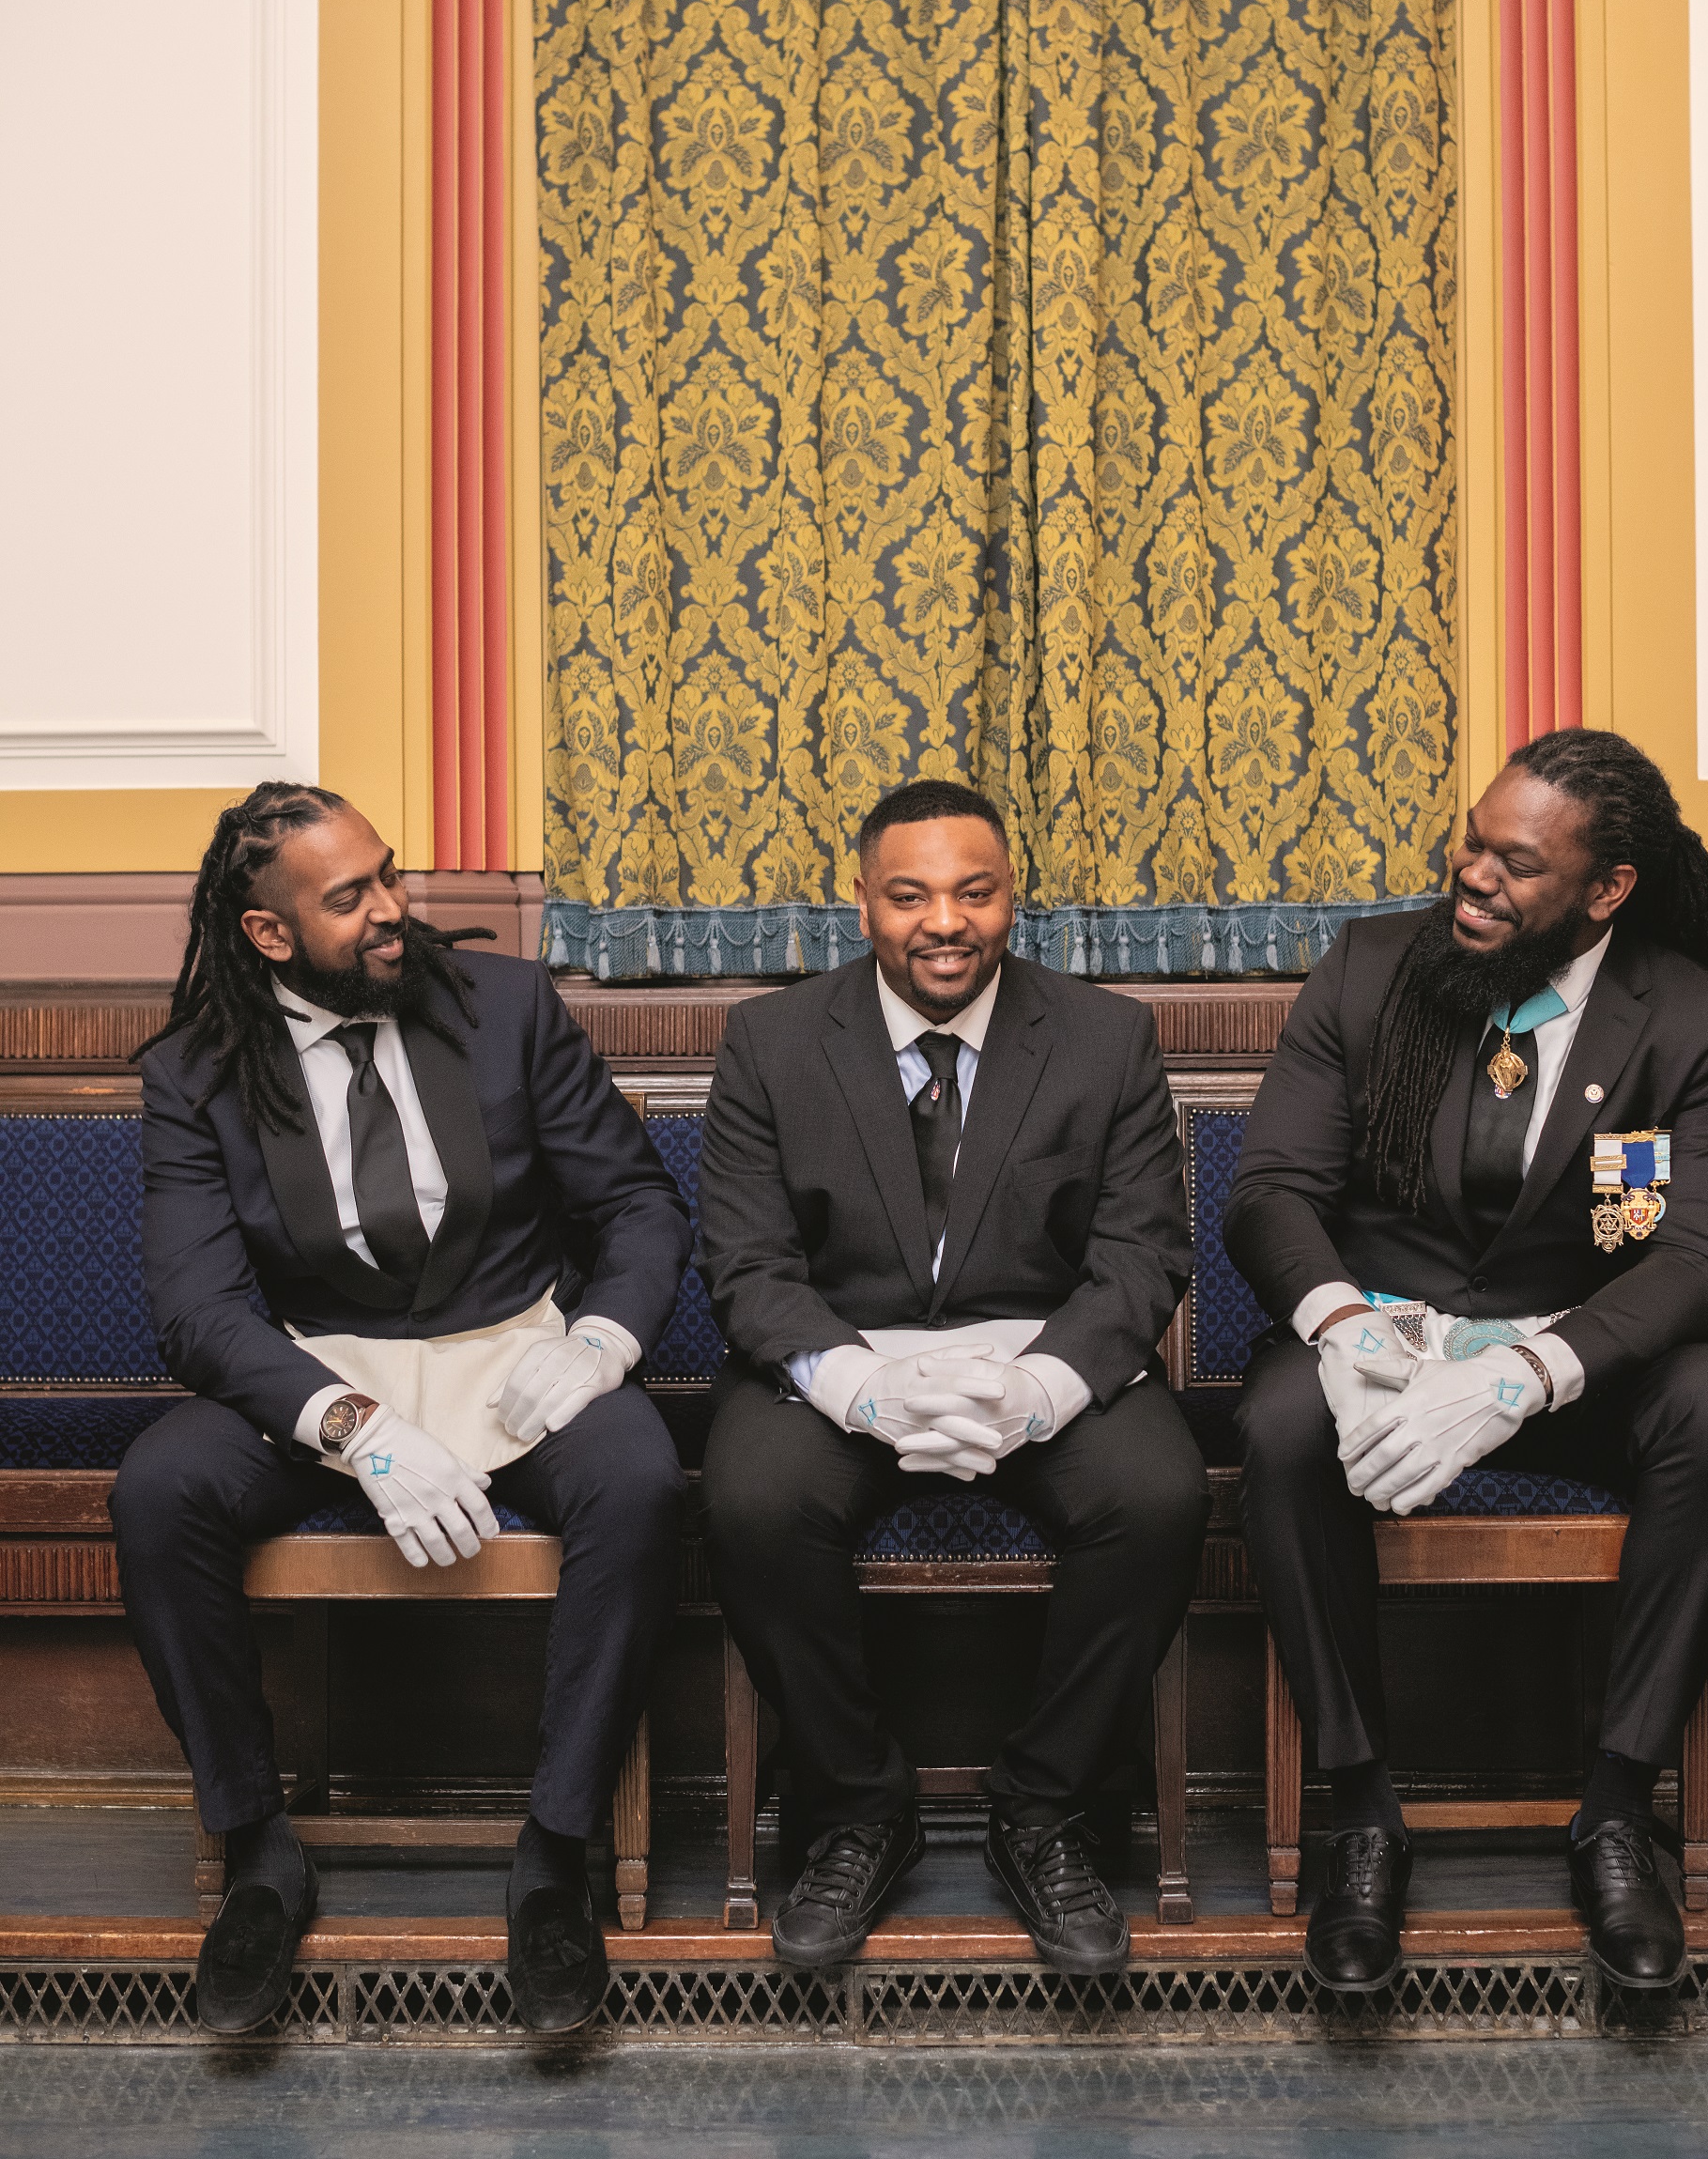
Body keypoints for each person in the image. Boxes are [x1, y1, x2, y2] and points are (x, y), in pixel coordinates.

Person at [114, 783, 691, 2035]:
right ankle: (258, 1846)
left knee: (639, 1476)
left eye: (390, 874)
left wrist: (597, 1340)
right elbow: (200, 1313)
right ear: (269, 934)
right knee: (159, 1492)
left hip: (514, 1355)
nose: (392, 909)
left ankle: (556, 1852)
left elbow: (640, 1210)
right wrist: (354, 1429)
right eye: (351, 896)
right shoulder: (195, 1071)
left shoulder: (509, 1008)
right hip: (320, 1380)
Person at [1227, 729, 1708, 1994]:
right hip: (1381, 1348)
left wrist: (1525, 1375)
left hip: (1568, 1361)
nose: (1472, 873)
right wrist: (1340, 1327)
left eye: (1515, 864)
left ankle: (1618, 1810)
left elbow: (1696, 1262)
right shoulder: (1371, 969)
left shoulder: (1690, 1017)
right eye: (1472, 838)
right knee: (1278, 1424)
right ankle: (1359, 1810)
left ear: (1607, 889)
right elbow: (1269, 1195)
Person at [698, 781, 1209, 1975]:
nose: (945, 921)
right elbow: (747, 1263)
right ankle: (857, 1810)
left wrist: (1040, 1387)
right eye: (910, 893)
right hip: (843, 1361)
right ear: (862, 900)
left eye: (973, 892)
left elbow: (1142, 1254)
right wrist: (854, 1387)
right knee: (752, 1500)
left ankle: (1042, 1808)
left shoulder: (1103, 1036)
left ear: (1009, 899)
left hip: (1036, 1360)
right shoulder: (771, 1043)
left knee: (1158, 1497)